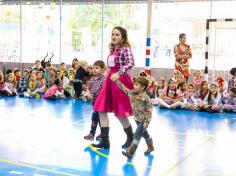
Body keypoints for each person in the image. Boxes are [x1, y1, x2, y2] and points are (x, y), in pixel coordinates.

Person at [92, 27, 135, 149]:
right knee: (101, 109)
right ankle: (105, 141)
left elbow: (131, 63)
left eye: (117, 34)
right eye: (113, 34)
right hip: (110, 80)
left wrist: (119, 73)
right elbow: (111, 66)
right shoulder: (112, 49)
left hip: (120, 80)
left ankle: (130, 137)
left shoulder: (125, 49)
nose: (114, 36)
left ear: (123, 37)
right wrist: (108, 73)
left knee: (120, 113)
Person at [111, 75, 154, 158]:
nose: (134, 86)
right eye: (134, 84)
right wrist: (116, 81)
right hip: (137, 119)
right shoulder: (132, 93)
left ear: (143, 87)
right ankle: (151, 147)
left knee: (137, 135)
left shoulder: (146, 98)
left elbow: (149, 111)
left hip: (143, 120)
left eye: (136, 85)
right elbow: (124, 88)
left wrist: (147, 122)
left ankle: (130, 152)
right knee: (144, 134)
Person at [84, 61, 106, 141]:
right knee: (98, 119)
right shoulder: (92, 79)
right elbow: (88, 88)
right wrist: (89, 93)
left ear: (103, 69)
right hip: (94, 102)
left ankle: (93, 133)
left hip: (101, 103)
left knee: (96, 118)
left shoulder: (104, 79)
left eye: (97, 68)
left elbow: (105, 91)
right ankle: (100, 134)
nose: (94, 70)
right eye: (93, 68)